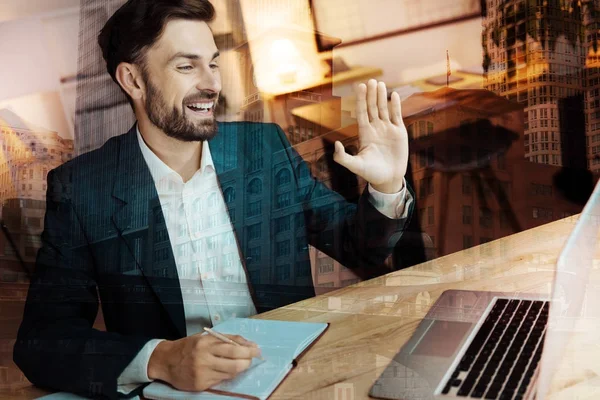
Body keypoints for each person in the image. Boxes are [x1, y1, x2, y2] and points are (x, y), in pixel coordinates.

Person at [14, 0, 413, 398]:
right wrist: (162, 358)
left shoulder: (264, 148)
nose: (212, 84)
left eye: (213, 63)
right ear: (133, 80)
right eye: (187, 66)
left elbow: (360, 249)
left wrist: (388, 187)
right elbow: (42, 341)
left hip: (296, 380)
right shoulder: (83, 188)